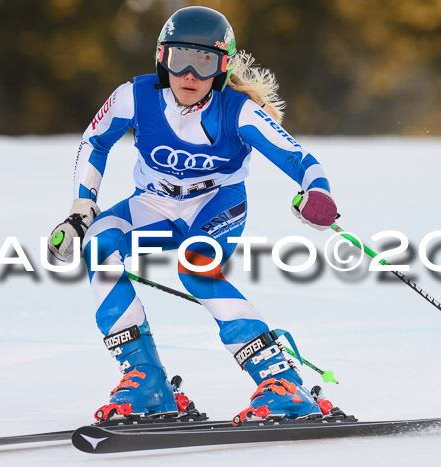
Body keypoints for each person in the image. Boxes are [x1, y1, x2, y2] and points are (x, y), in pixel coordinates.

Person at [48, 6, 338, 422]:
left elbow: (301, 160)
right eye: (179, 58)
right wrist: (80, 210)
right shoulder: (135, 96)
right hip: (152, 203)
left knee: (196, 267)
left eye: (205, 62)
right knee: (99, 244)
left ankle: (281, 383)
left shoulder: (237, 111)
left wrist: (317, 192)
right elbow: (95, 142)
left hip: (216, 205)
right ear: (161, 58)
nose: (190, 75)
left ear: (221, 69)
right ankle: (147, 383)